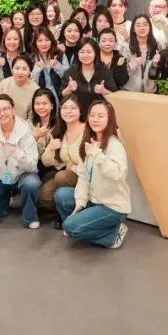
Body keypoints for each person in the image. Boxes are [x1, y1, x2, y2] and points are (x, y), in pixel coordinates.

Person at [55, 99, 131, 249]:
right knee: (61, 195)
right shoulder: (89, 142)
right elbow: (83, 177)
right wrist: (80, 203)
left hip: (112, 207)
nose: (95, 119)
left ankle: (112, 235)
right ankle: (81, 226)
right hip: (93, 200)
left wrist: (97, 155)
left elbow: (118, 174)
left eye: (100, 116)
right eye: (92, 115)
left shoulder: (115, 145)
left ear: (110, 119)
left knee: (69, 227)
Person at [0, 94, 41, 228]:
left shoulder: (25, 131)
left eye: (5, 109)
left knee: (32, 183)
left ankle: (30, 217)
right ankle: (9, 203)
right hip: (0, 175)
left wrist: (18, 154)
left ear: (12, 109)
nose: (2, 113)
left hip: (23, 174)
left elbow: (32, 165)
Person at [40, 95, 85, 228]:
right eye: (64, 108)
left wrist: (74, 167)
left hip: (84, 175)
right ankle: (66, 204)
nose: (68, 111)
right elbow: (46, 162)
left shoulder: (87, 130)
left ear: (80, 111)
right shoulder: (58, 131)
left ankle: (65, 213)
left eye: (73, 108)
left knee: (61, 176)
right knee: (44, 196)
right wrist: (50, 149)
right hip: (69, 173)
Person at [62, 38, 117, 114]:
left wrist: (104, 91)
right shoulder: (70, 72)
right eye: (82, 52)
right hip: (77, 115)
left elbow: (115, 97)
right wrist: (68, 89)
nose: (85, 55)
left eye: (89, 52)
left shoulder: (105, 72)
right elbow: (61, 95)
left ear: (95, 53)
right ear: (77, 54)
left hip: (99, 115)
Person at [0, 55, 37, 120]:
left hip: (24, 124)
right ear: (12, 70)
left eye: (24, 69)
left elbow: (33, 116)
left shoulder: (35, 89)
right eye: (17, 68)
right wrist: (1, 98)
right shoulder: (4, 84)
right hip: (3, 121)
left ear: (30, 71)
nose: (20, 72)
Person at [124, 14, 158, 93]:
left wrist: (154, 66)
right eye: (138, 25)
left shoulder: (157, 47)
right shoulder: (126, 47)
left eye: (145, 24)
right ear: (133, 29)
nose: (142, 28)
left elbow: (157, 75)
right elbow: (121, 75)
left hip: (150, 93)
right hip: (129, 92)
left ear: (150, 27)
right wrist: (133, 65)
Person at [31, 26, 66, 100]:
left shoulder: (60, 55)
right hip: (40, 99)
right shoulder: (31, 59)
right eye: (40, 40)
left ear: (51, 41)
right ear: (35, 43)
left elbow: (67, 78)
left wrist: (58, 67)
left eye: (47, 40)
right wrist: (36, 71)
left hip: (60, 98)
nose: (44, 44)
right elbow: (30, 85)